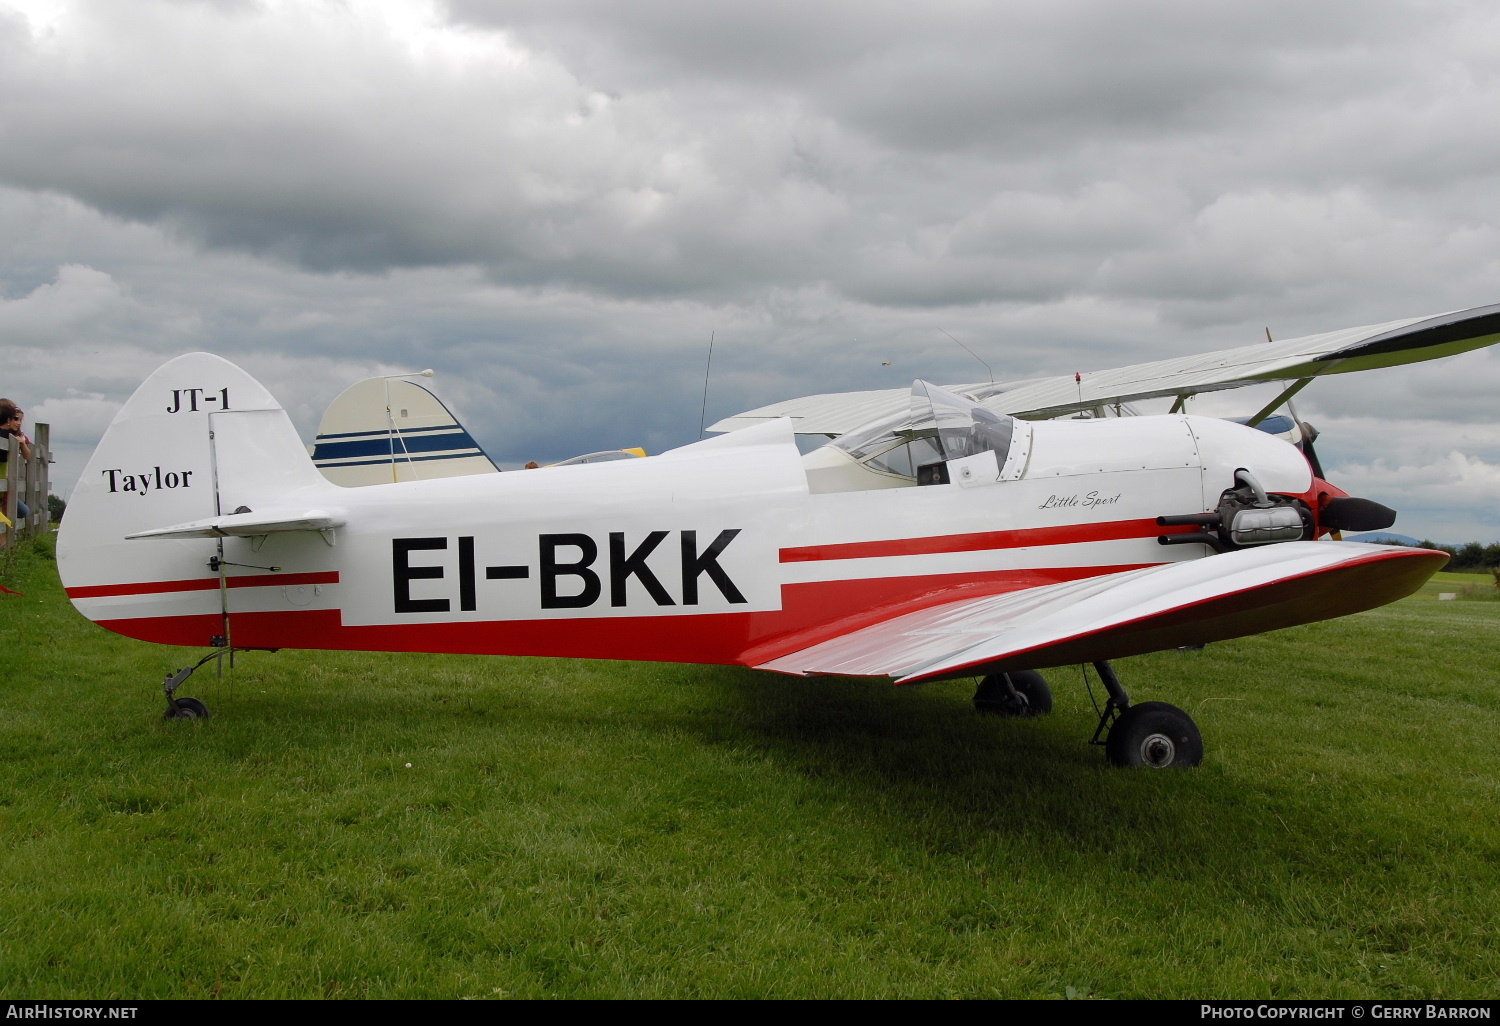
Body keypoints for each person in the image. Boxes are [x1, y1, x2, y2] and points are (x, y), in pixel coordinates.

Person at [0, 400, 33, 522]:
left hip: (6, 484)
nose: (19, 423)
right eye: (15, 419)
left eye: (20, 420)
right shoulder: (7, 435)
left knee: (22, 511)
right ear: (8, 420)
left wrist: (23, 443)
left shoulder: (19, 436)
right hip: (5, 482)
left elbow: (28, 456)